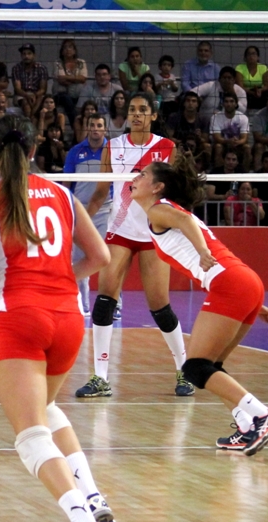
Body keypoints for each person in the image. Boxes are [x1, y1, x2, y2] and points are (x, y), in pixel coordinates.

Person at [0, 114, 113, 522]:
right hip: (69, 315)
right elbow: (100, 256)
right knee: (45, 410)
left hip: (21, 314)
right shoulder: (64, 195)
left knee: (30, 434)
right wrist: (64, 280)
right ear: (34, 150)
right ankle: (92, 498)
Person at [130, 159, 268, 455]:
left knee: (194, 367)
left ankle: (261, 415)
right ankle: (246, 427)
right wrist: (260, 307)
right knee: (211, 366)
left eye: (142, 175)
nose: (135, 178)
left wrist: (202, 252)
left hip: (230, 282)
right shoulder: (164, 211)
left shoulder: (159, 209)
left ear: (157, 187)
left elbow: (186, 222)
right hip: (245, 282)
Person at [79, 92, 192, 398]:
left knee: (159, 305)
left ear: (153, 115)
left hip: (155, 232)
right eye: (132, 109)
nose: (137, 114)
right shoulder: (113, 147)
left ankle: (186, 371)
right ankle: (100, 377)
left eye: (143, 109)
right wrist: (83, 224)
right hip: (120, 231)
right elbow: (101, 192)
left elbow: (178, 192)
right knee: (105, 299)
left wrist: (181, 225)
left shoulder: (167, 148)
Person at [62, 113, 123, 318]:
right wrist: (66, 209)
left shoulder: (113, 152)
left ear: (105, 129)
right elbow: (67, 184)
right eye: (92, 125)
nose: (95, 128)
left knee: (111, 260)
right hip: (80, 211)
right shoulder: (75, 152)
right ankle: (81, 306)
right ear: (87, 128)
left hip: (105, 211)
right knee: (79, 259)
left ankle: (114, 305)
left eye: (99, 125)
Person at [210, 92, 250, 169]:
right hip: (223, 144)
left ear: (236, 104)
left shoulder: (243, 117)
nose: (229, 104)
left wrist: (237, 142)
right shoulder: (216, 117)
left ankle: (245, 174)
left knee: (247, 147)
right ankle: (220, 174)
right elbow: (217, 137)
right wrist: (228, 141)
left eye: (231, 101)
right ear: (223, 104)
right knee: (218, 146)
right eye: (226, 101)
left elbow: (244, 138)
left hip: (237, 145)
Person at [52, 39, 86, 126]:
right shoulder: (57, 63)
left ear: (75, 50)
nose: (68, 50)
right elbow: (61, 79)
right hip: (60, 95)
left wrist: (67, 78)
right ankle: (76, 125)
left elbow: (83, 78)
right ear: (62, 51)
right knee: (66, 98)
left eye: (70, 47)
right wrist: (76, 80)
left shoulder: (81, 63)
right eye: (65, 48)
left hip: (77, 95)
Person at [11, 43, 48, 118]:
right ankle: (31, 122)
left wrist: (34, 95)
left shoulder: (42, 68)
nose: (26, 56)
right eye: (24, 54)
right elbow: (18, 89)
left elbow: (43, 89)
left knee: (40, 99)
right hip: (21, 95)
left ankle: (29, 122)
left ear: (34, 55)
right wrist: (27, 95)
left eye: (29, 53)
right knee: (26, 103)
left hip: (37, 95)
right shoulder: (16, 68)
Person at [235, 46, 268, 110]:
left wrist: (260, 90)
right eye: (249, 54)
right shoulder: (240, 67)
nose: (251, 56)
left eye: (253, 54)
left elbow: (267, 85)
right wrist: (252, 92)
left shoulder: (263, 67)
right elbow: (240, 86)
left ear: (258, 57)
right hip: (246, 92)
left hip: (261, 92)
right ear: (245, 57)